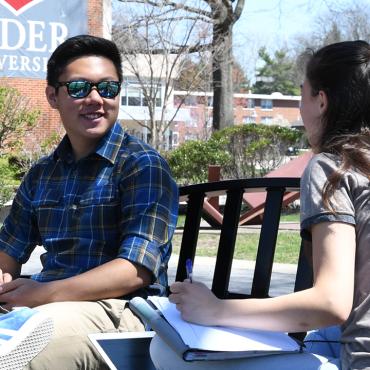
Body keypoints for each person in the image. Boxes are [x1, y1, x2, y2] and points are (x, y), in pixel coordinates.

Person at [150, 40, 370, 370]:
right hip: (336, 343)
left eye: (302, 93)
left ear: (321, 101)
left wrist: (216, 309)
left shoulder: (333, 166)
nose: (300, 106)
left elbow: (331, 302)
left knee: (167, 351)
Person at [0, 34, 178, 369]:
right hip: (50, 305)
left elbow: (135, 271)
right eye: (80, 88)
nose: (96, 99)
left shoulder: (142, 166)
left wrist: (42, 293)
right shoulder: (42, 173)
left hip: (122, 311)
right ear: (53, 95)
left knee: (12, 358)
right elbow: (7, 253)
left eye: (108, 88)